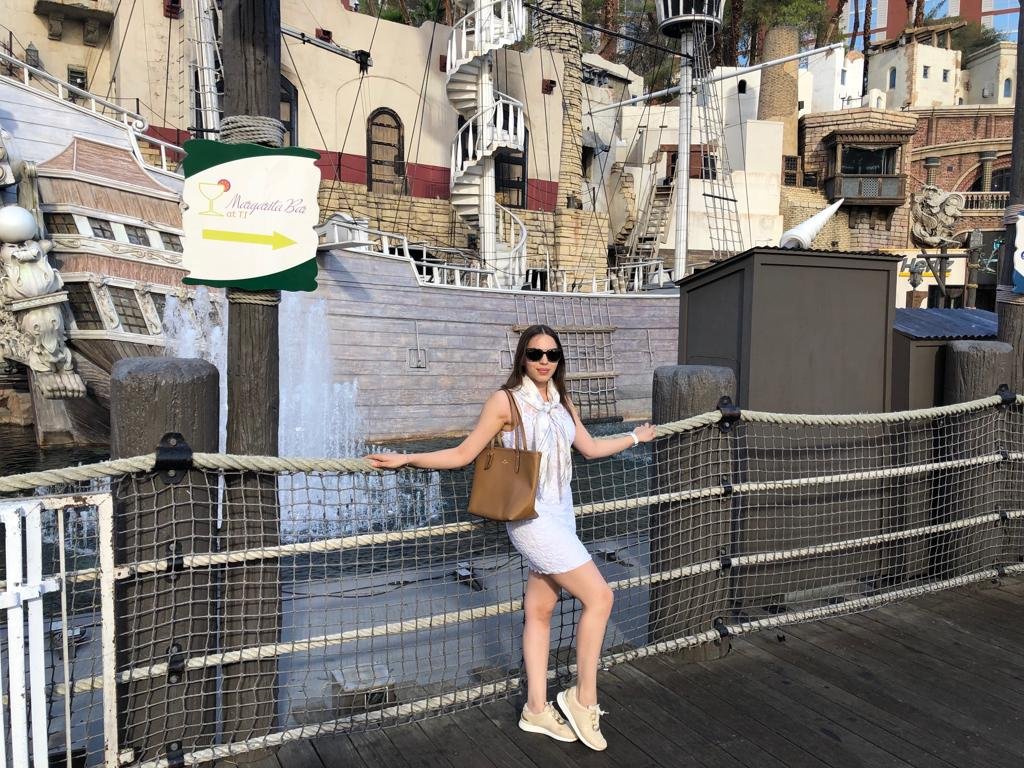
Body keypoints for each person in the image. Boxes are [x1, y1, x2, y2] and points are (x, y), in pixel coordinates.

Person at [367, 324, 656, 750]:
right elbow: (464, 454)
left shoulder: (562, 400)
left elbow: (590, 448)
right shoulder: (505, 401)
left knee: (540, 610)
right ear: (522, 356)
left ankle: (535, 709)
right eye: (535, 353)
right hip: (530, 518)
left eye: (552, 354)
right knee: (601, 598)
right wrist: (407, 459)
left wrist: (634, 436)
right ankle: (583, 699)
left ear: (559, 360)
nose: (544, 361)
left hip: (562, 514)